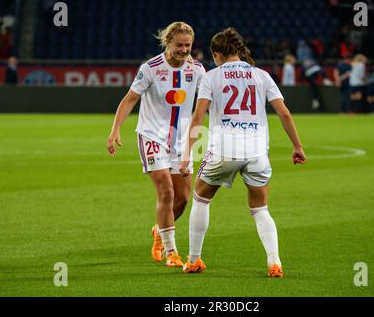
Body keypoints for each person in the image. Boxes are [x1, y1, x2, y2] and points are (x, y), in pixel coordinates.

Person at [179, 27, 306, 277]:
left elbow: (197, 118)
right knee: (260, 210)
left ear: (216, 54)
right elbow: (284, 113)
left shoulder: (212, 77)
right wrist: (297, 146)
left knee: (201, 199)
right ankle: (274, 262)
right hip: (257, 151)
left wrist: (186, 155)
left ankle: (194, 260)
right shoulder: (261, 75)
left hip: (223, 149)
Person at [107, 22, 206, 268]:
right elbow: (130, 99)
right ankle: (171, 251)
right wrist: (115, 128)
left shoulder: (198, 70)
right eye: (179, 45)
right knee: (166, 191)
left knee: (182, 199)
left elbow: (207, 101)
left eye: (188, 45)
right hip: (152, 135)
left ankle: (159, 230)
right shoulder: (150, 68)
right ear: (168, 43)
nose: (184, 50)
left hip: (182, 140)